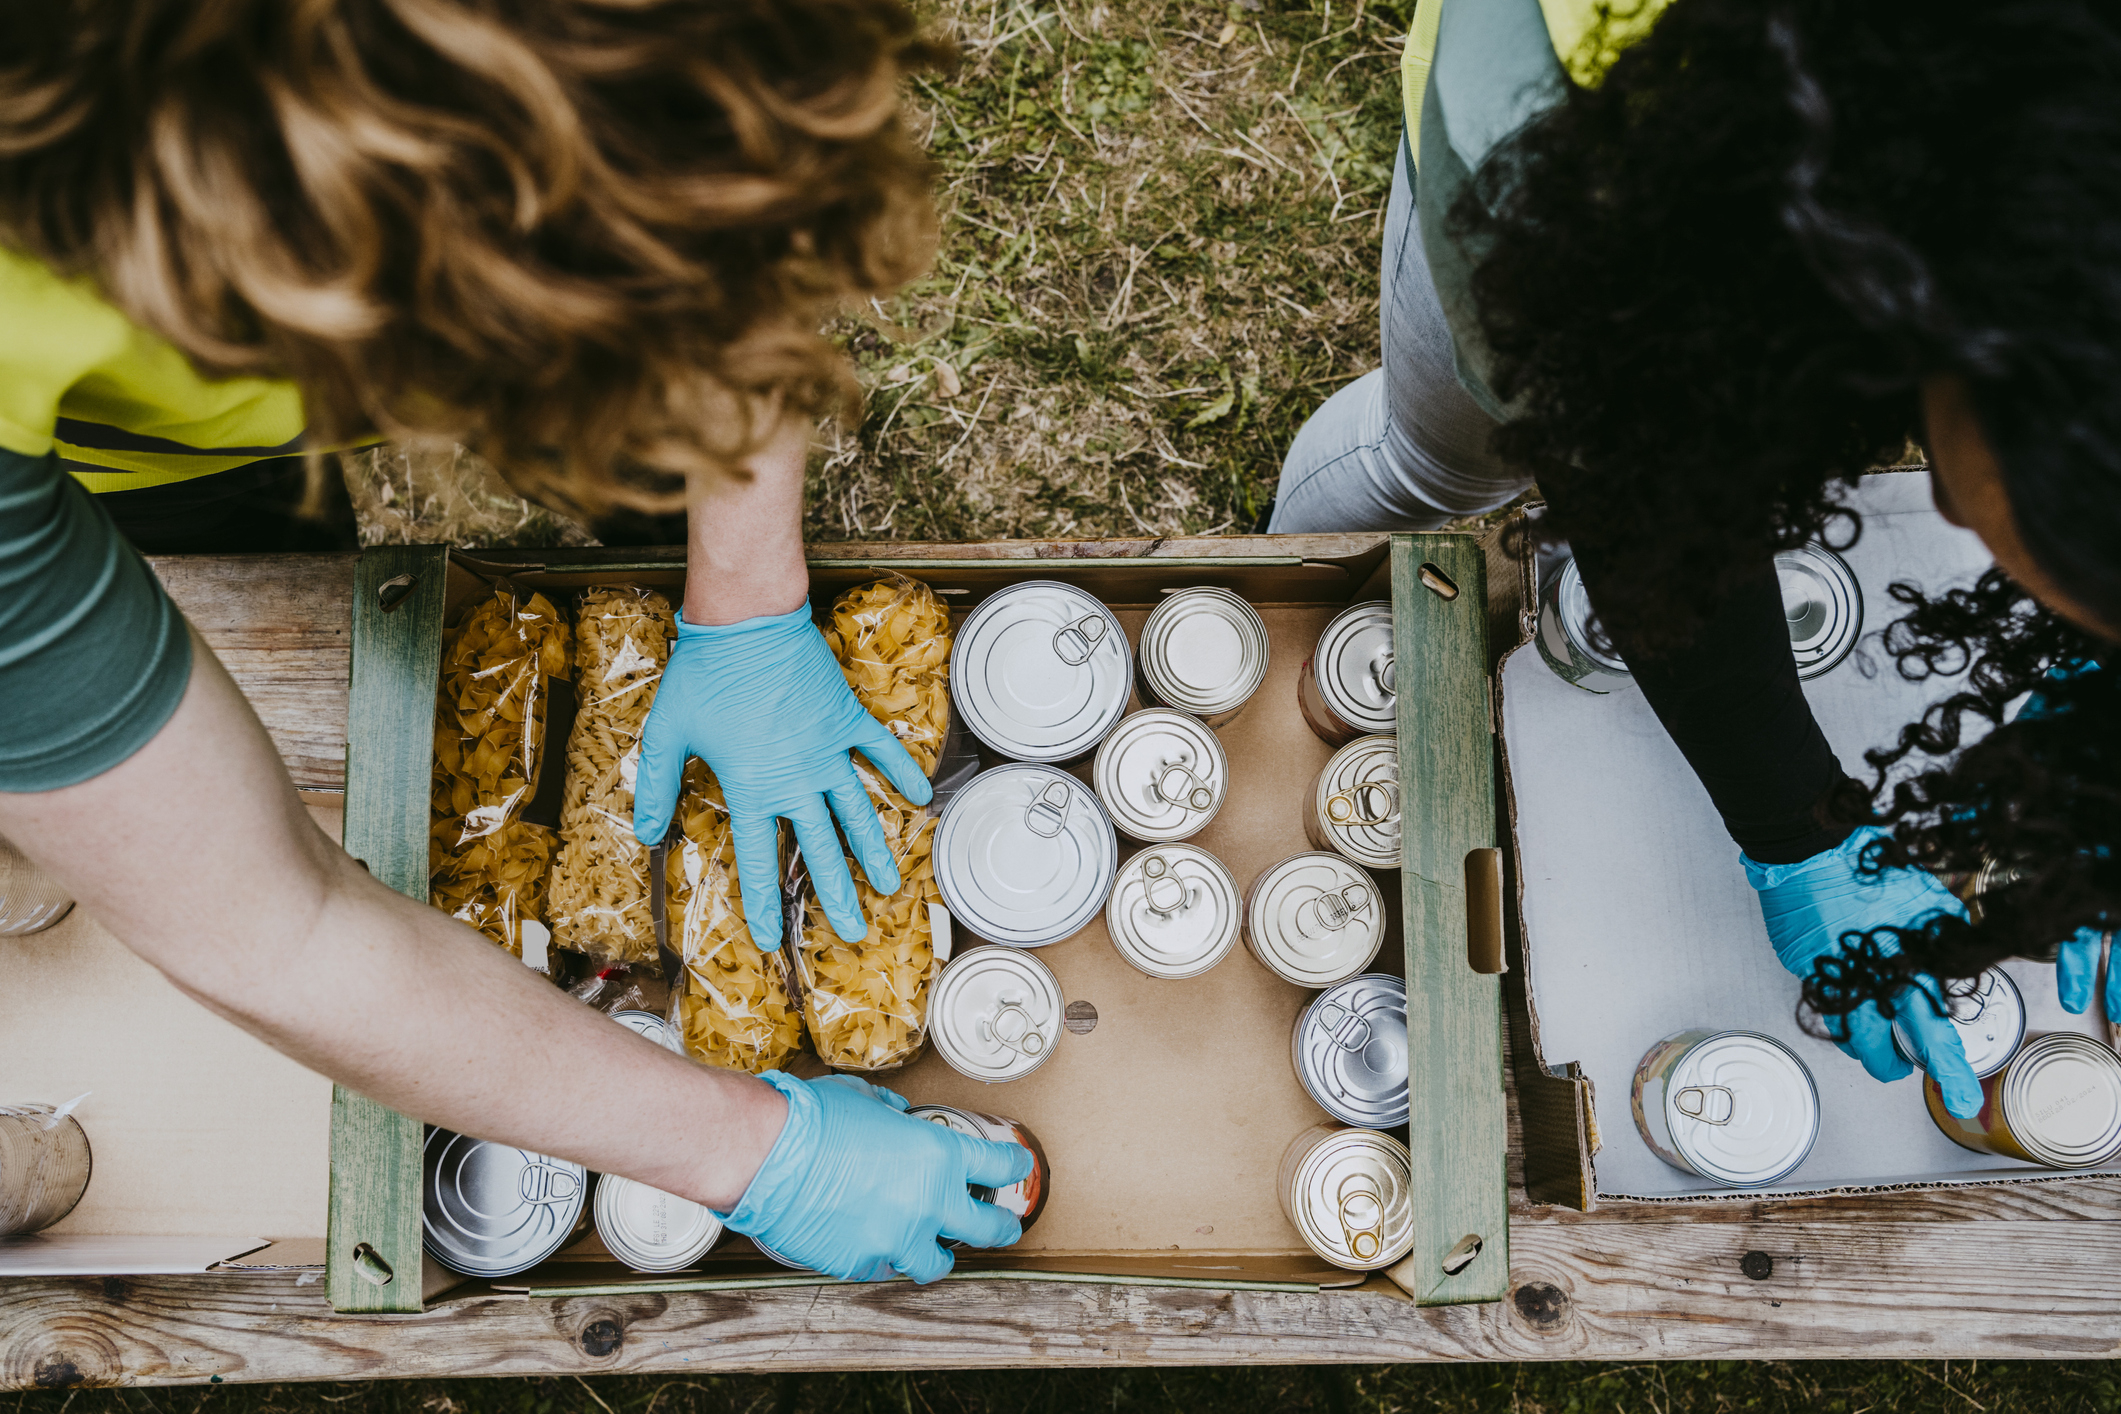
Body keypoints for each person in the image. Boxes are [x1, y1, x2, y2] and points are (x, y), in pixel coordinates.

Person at [0, 0, 1026, 1283]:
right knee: (248, 546)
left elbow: (728, 201)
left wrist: (749, 592)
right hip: (125, 445)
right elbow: (272, 927)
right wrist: (753, 1153)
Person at [1272, 0, 2121, 1116]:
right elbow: (1637, 481)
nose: (1947, 502)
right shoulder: (1595, 176)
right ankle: (1289, 591)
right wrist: (1797, 832)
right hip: (1580, 99)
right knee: (1435, 464)